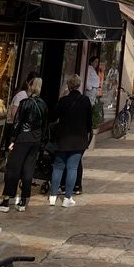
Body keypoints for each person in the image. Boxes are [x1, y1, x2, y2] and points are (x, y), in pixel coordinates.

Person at [0, 77, 48, 212]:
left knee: (13, 168)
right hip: (36, 139)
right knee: (28, 169)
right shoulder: (43, 104)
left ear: (30, 86)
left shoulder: (25, 103)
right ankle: (24, 200)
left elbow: (18, 123)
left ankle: (6, 200)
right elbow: (45, 124)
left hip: (23, 138)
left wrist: (13, 139)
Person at [49, 73, 93, 207]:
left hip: (63, 139)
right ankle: (67, 197)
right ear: (79, 85)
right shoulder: (85, 100)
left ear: (68, 86)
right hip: (78, 139)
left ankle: (53, 196)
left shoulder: (64, 101)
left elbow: (53, 116)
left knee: (58, 167)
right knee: (72, 168)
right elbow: (89, 122)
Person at [2, 71, 36, 152]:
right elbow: (14, 113)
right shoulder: (22, 95)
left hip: (16, 127)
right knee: (11, 147)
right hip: (12, 127)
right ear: (28, 84)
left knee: (12, 148)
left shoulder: (26, 96)